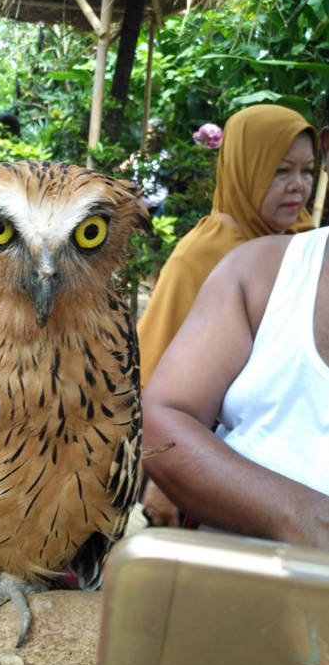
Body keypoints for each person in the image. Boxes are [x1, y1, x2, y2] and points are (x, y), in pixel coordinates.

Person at [140, 116, 328, 547]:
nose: (297, 186)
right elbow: (159, 383)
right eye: (279, 171)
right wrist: (160, 480)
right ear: (246, 169)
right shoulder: (218, 258)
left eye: (305, 171)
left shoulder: (296, 237)